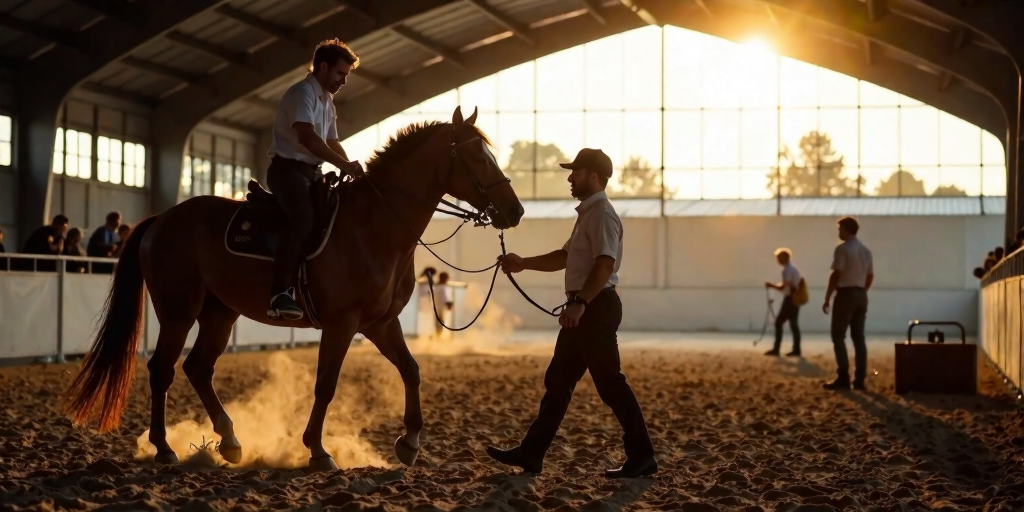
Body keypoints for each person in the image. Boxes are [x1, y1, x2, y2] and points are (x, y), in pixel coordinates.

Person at [486, 148, 657, 479]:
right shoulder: (588, 215)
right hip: (585, 306)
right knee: (559, 382)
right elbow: (564, 257)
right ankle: (532, 453)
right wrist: (525, 263)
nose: (569, 177)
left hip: (594, 307)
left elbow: (604, 264)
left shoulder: (602, 215)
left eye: (575, 172)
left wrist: (580, 303)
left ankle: (643, 456)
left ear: (593, 176)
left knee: (609, 385)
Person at [265, 38, 366, 320]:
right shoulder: (302, 94)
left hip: (311, 173)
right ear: (323, 67)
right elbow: (308, 138)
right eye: (340, 74)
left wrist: (352, 169)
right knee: (303, 219)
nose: (344, 81)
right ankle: (280, 293)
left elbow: (332, 142)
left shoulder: (327, 101)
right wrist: (344, 166)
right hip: (287, 171)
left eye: (345, 75)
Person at [822, 216, 874, 391]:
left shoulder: (842, 249)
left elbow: (836, 274)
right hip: (861, 294)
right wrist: (862, 291)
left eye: (840, 229)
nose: (838, 232)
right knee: (859, 338)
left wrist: (827, 297)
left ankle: (843, 376)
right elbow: (870, 275)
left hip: (845, 294)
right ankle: (860, 379)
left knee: (838, 335)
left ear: (846, 229)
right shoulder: (866, 251)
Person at [764, 247, 803, 357]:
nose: (778, 260)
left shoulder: (788, 270)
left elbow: (785, 286)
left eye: (779, 258)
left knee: (779, 323)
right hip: (794, 298)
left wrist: (771, 285)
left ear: (784, 258)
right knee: (793, 324)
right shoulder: (792, 269)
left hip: (791, 298)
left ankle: (777, 349)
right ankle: (796, 349)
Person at [434, 272, 455, 339]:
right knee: (439, 321)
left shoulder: (442, 287)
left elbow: (448, 297)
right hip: (438, 306)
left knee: (442, 321)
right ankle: (438, 335)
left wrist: (449, 303)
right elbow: (446, 297)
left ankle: (439, 335)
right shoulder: (439, 287)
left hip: (441, 307)